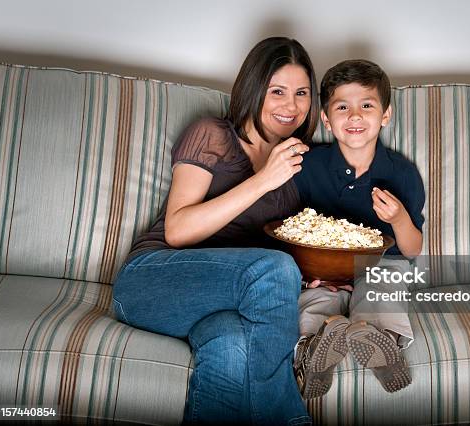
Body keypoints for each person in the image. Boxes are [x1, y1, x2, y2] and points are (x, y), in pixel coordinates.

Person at [112, 37, 320, 425]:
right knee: (274, 269)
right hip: (151, 282)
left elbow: (286, 244)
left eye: (302, 93)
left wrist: (323, 274)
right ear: (253, 89)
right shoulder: (212, 134)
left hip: (222, 304)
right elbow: (177, 230)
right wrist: (262, 180)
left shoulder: (296, 164)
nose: (291, 106)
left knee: (230, 348)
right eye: (277, 91)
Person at [292, 59, 425, 399]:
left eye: (366, 105)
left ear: (385, 115)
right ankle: (316, 348)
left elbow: (412, 250)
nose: (354, 116)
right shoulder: (307, 166)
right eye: (342, 107)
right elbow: (294, 229)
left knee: (382, 291)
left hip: (383, 265)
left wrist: (398, 219)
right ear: (326, 118)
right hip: (324, 269)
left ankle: (383, 347)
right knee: (316, 300)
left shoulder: (403, 174)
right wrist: (309, 271)